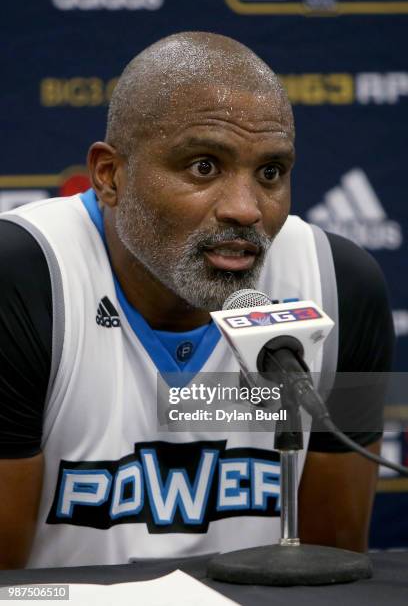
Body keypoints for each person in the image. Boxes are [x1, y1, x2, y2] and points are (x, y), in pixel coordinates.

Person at [0, 32, 394, 569]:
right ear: (109, 176)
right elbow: (7, 583)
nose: (245, 209)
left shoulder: (340, 285)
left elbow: (331, 570)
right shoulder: (22, 278)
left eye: (271, 173)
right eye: (204, 166)